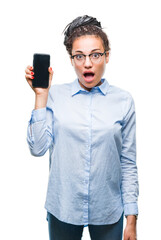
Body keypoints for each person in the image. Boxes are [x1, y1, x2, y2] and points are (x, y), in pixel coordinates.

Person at [25, 15, 139, 240]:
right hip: (63, 207)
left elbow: (127, 162)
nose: (87, 63)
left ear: (107, 56)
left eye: (95, 55)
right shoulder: (54, 95)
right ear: (71, 59)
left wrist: (132, 219)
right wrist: (41, 95)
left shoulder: (124, 101)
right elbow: (37, 149)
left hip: (108, 210)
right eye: (79, 56)